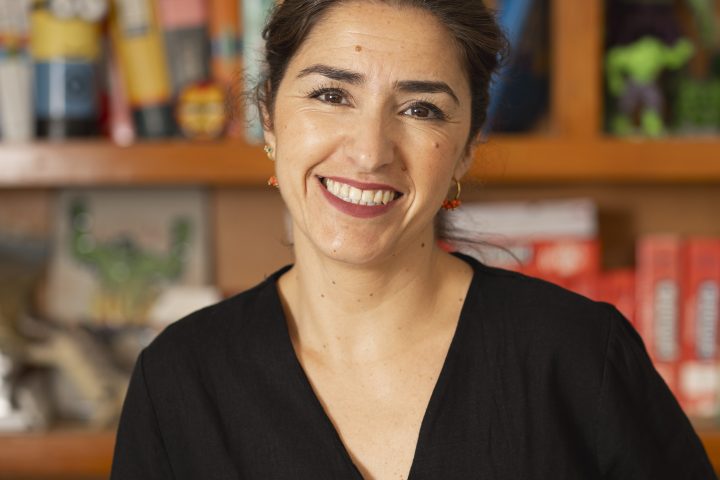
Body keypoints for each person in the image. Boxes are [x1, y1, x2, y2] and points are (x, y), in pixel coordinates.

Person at [110, 1, 717, 479]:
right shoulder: (179, 379)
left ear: (467, 147)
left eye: (421, 109)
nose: (370, 151)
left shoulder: (580, 355)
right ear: (268, 117)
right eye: (331, 95)